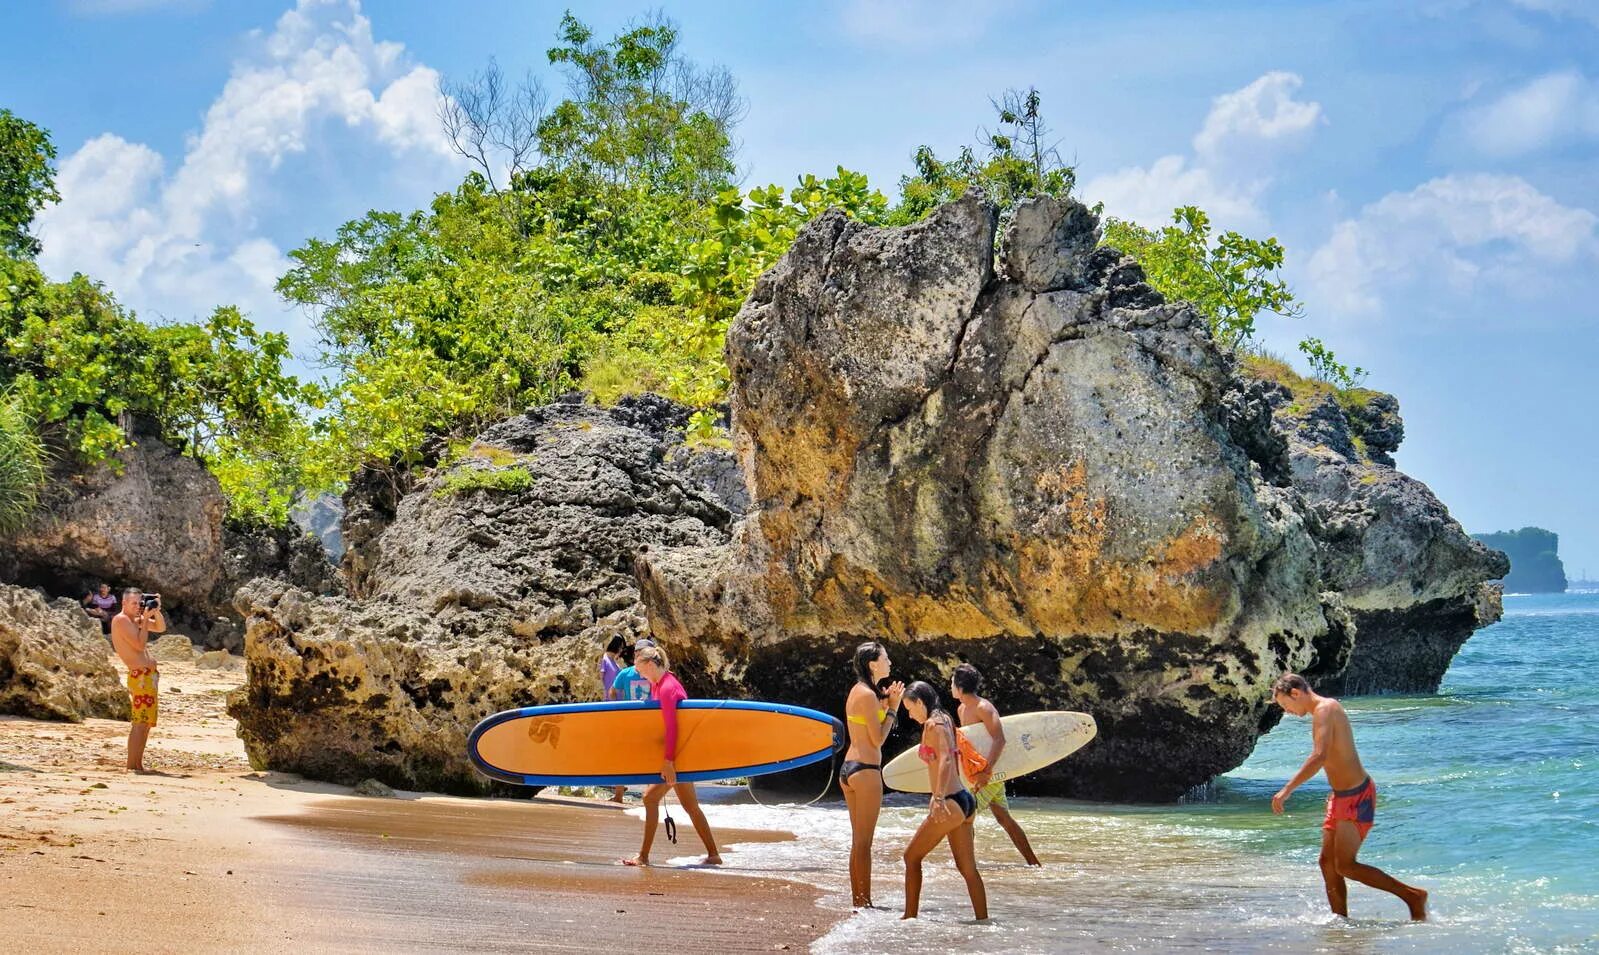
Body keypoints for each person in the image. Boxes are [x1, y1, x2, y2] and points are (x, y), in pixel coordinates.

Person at [1271, 672, 1427, 921]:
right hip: (1340, 797)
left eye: (1284, 704)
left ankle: (1412, 896)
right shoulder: (1320, 712)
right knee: (1327, 863)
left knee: (1345, 865)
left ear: (1296, 693)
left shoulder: (1326, 708)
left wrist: (1287, 789)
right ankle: (1340, 921)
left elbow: (1319, 756)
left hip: (1358, 796)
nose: (1286, 711)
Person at [620, 645, 721, 867]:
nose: (637, 673)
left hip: (678, 757)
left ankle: (643, 857)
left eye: (638, 668)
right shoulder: (659, 685)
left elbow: (673, 728)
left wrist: (668, 762)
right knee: (690, 806)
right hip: (680, 755)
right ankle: (713, 854)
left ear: (649, 664)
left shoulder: (667, 688)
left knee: (649, 798)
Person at [900, 681, 987, 922]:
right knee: (968, 869)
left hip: (949, 800)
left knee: (911, 857)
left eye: (910, 708)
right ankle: (983, 922)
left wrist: (937, 797)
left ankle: (909, 919)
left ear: (920, 702)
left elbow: (947, 760)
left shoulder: (932, 724)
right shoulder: (946, 719)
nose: (909, 715)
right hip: (965, 800)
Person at [950, 663, 1041, 866]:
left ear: (960, 686)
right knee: (1003, 818)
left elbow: (999, 739)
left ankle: (966, 865)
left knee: (964, 817)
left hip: (988, 773)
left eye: (952, 682)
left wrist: (986, 772)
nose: (950, 686)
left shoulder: (984, 708)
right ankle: (1034, 864)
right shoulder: (962, 708)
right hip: (978, 773)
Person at [839, 641, 905, 909]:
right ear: (872, 664)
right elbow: (877, 739)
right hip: (865, 770)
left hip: (849, 769)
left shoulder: (863, 691)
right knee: (864, 843)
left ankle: (859, 900)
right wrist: (893, 709)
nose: (889, 662)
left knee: (858, 842)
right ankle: (864, 903)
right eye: (885, 658)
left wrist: (885, 701)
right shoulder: (866, 694)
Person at [108, 588, 165, 773]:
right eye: (133, 603)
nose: (137, 607)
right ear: (123, 603)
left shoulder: (135, 620)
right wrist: (146, 619)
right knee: (139, 723)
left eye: (139, 603)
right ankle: (132, 765)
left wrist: (155, 611)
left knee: (146, 723)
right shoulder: (122, 620)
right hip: (140, 677)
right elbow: (140, 646)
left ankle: (138, 764)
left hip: (147, 677)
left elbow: (161, 627)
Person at [600, 636, 629, 803]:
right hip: (608, 708)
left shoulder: (614, 662)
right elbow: (599, 680)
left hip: (619, 708)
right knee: (613, 748)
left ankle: (618, 790)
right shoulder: (604, 659)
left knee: (619, 749)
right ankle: (616, 787)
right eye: (622, 647)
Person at [609, 639, 654, 703]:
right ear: (635, 653)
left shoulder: (655, 673)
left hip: (650, 711)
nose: (644, 656)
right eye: (641, 652)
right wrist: (618, 708)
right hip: (630, 712)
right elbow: (612, 692)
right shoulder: (625, 673)